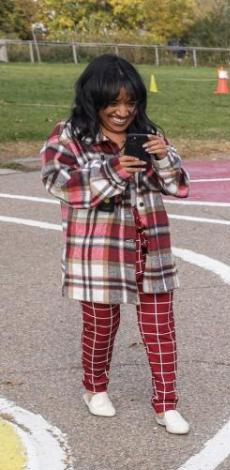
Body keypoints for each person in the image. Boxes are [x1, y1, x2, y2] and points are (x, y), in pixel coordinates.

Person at [40, 54, 192, 435]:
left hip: (149, 246)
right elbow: (59, 183)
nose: (124, 111)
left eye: (131, 102)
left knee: (161, 327)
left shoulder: (148, 132)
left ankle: (166, 403)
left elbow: (178, 187)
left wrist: (165, 158)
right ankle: (94, 388)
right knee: (101, 325)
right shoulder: (69, 136)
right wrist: (115, 170)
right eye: (114, 103)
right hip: (99, 251)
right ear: (94, 100)